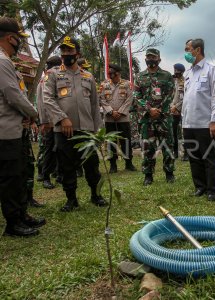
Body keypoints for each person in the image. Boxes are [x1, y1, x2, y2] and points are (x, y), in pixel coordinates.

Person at [43, 36, 106, 211]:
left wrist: (98, 131)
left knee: (92, 165)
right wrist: (62, 118)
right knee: (66, 166)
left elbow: (95, 105)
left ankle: (96, 195)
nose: (66, 54)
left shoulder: (88, 76)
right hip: (63, 130)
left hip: (86, 130)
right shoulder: (53, 74)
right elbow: (47, 98)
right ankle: (71, 199)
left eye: (69, 51)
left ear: (77, 53)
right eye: (63, 51)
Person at [0, 16, 45, 236]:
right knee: (10, 179)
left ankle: (21, 215)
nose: (20, 43)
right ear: (10, 38)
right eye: (18, 39)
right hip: (5, 132)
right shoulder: (1, 61)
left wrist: (24, 117)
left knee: (17, 175)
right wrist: (34, 114)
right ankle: (13, 223)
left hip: (13, 128)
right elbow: (14, 96)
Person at [182, 38, 215, 201]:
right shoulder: (188, 73)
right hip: (188, 123)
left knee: (208, 157)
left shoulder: (211, 69)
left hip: (205, 123)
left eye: (188, 49)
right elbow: (187, 98)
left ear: (197, 50)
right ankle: (200, 186)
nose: (186, 53)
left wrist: (214, 121)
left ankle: (212, 189)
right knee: (194, 157)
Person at [133, 48, 175, 185]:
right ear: (145, 59)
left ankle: (169, 173)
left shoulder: (167, 75)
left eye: (153, 57)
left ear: (159, 59)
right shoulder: (139, 77)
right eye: (148, 57)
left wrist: (160, 110)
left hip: (164, 117)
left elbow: (170, 94)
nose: (150, 59)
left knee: (167, 146)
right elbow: (136, 96)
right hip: (146, 118)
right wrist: (150, 109)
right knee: (147, 147)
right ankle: (148, 175)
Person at [99, 63, 136, 173]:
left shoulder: (127, 84)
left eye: (112, 72)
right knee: (111, 142)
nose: (110, 74)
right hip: (110, 119)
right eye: (109, 72)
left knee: (126, 141)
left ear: (118, 73)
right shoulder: (104, 85)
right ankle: (113, 165)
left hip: (123, 118)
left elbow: (129, 99)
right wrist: (111, 111)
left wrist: (120, 112)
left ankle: (128, 163)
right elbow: (102, 99)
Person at [36, 56, 62, 189]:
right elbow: (42, 101)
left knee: (60, 148)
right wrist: (44, 121)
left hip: (61, 120)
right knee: (49, 150)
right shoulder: (46, 78)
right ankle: (45, 176)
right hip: (51, 121)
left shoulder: (59, 76)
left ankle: (59, 174)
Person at [170, 63, 186, 159]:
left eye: (177, 70)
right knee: (173, 133)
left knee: (184, 132)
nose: (176, 72)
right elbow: (169, 96)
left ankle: (186, 153)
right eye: (175, 70)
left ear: (181, 71)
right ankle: (175, 152)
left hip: (183, 109)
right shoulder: (172, 81)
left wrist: (177, 107)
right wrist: (172, 106)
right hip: (173, 110)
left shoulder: (185, 81)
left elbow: (185, 97)